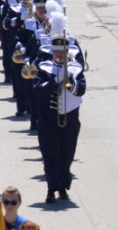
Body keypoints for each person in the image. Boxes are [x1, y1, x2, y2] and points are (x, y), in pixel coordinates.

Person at [33, 21, 86, 204]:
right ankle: (51, 189)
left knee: (67, 155)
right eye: (56, 52)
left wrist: (71, 82)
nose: (58, 55)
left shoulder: (75, 68)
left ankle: (63, 186)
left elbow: (82, 89)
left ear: (66, 52)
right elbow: (38, 89)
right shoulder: (45, 68)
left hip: (70, 119)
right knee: (51, 155)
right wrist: (55, 82)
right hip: (48, 119)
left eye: (62, 52)